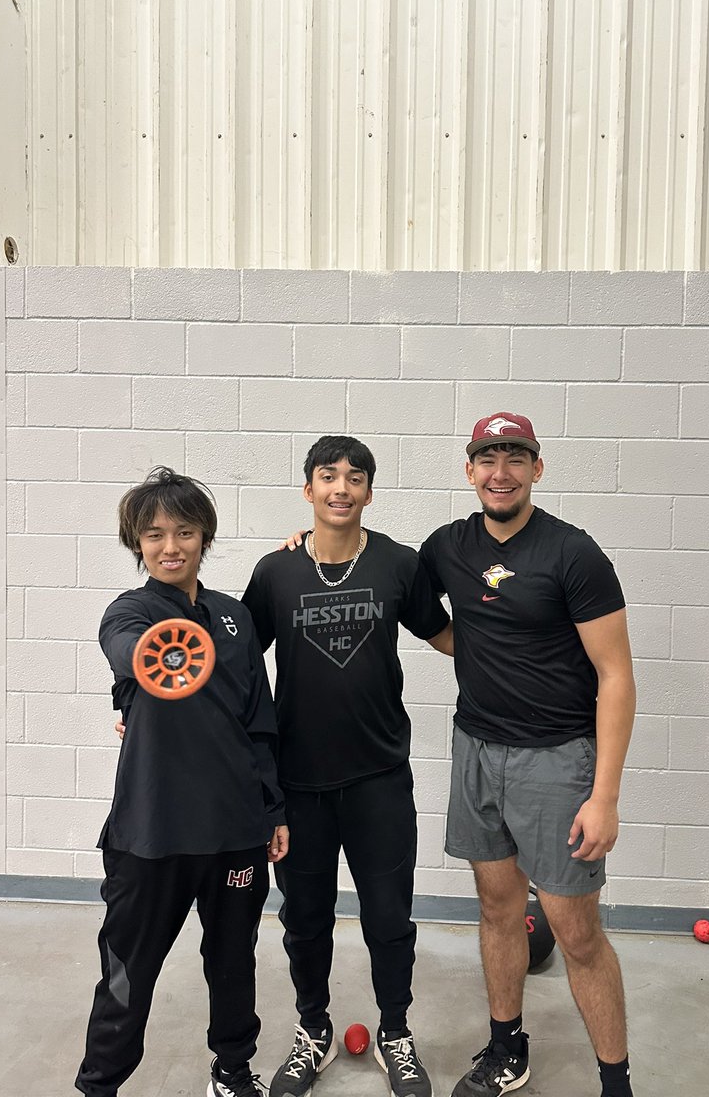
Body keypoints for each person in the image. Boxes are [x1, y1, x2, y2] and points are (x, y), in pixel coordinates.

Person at [417, 413, 637, 1097]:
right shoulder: (446, 547)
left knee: (574, 931)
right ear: (469, 469)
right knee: (497, 907)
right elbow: (404, 593)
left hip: (556, 761)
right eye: (488, 457)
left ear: (536, 469)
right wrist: (307, 544)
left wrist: (604, 795)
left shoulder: (574, 554)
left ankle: (615, 1081)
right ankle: (508, 1050)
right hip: (477, 750)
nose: (501, 471)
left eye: (515, 457)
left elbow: (616, 676)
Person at [241, 435, 453, 1097]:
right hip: (297, 783)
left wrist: (530, 654)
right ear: (308, 491)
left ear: (368, 491)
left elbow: (450, 638)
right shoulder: (276, 574)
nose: (341, 488)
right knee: (304, 919)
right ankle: (314, 1030)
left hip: (378, 777)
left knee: (390, 917)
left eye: (354, 478)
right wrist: (154, 707)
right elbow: (237, 666)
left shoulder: (398, 564)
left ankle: (395, 1032)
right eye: (327, 477)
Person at [76, 467, 288, 1097]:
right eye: (155, 534)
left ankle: (230, 1069)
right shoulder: (130, 613)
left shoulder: (234, 620)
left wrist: (272, 810)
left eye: (185, 532)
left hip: (234, 832)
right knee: (127, 972)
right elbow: (128, 652)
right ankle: (99, 1085)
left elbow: (260, 724)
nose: (171, 546)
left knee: (233, 964)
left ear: (204, 538)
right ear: (136, 544)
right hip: (151, 835)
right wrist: (149, 660)